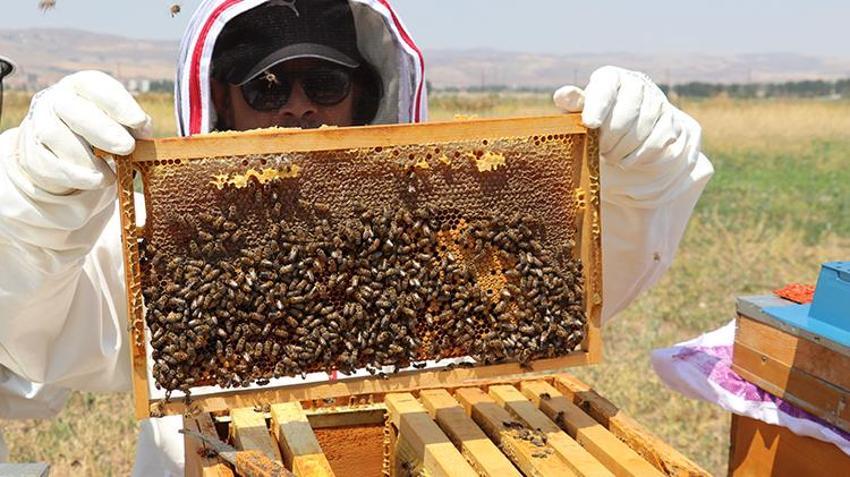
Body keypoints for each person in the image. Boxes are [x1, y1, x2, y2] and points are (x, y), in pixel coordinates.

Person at [0, 0, 713, 474]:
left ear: (367, 92)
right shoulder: (174, 243)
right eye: (268, 87)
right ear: (222, 99)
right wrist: (28, 212)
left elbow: (574, 289)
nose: (300, 107)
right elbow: (39, 330)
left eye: (324, 82)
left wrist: (645, 182)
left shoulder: (442, 223)